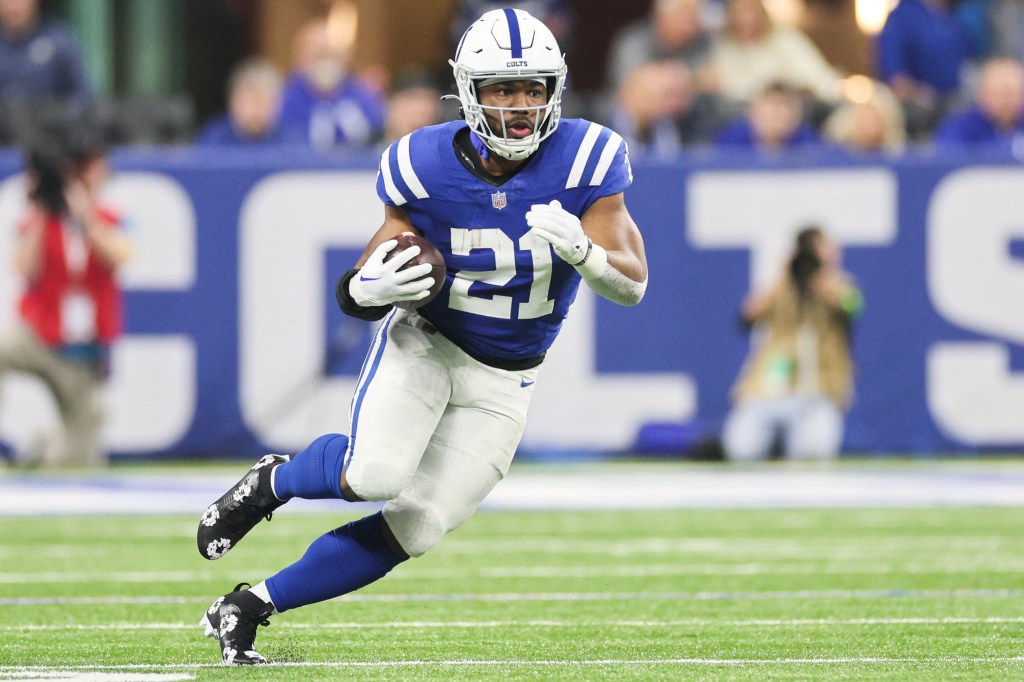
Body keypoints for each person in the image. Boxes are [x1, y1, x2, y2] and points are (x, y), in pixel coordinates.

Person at [196, 8, 648, 666]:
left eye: (532, 89)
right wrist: (362, 291)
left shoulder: (590, 156)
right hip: (428, 343)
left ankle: (249, 604)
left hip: (508, 375)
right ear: (469, 91)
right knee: (376, 471)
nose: (519, 106)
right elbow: (366, 276)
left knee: (418, 526)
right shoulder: (424, 161)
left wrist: (586, 253)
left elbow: (633, 283)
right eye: (500, 88)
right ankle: (277, 481)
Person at [0, 123, 131, 468]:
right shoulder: (42, 219)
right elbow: (24, 268)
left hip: (81, 355)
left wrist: (85, 215)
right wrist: (44, 208)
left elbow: (121, 256)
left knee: (79, 462)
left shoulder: (106, 216)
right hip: (38, 335)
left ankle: (42, 449)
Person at [722, 226, 862, 462]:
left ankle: (783, 443)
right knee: (741, 450)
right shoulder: (780, 289)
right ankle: (775, 442)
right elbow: (746, 317)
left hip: (819, 394)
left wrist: (822, 281)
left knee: (811, 453)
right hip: (769, 392)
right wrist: (784, 275)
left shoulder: (842, 288)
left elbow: (854, 307)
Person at [277, 17, 387, 152]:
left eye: (331, 55)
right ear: (299, 57)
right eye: (318, 55)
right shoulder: (283, 100)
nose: (326, 63)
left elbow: (377, 132)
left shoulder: (364, 96)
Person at [708, 0, 841, 109]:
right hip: (741, 116)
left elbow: (820, 79)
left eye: (751, 12)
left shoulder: (787, 40)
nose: (746, 19)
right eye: (740, 14)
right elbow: (723, 86)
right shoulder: (722, 48)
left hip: (793, 110)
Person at [875, 0, 973, 138]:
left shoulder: (955, 16)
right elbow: (896, 77)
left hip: (953, 106)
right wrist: (919, 94)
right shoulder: (902, 17)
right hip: (917, 114)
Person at [195, 58, 305, 147]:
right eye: (253, 102)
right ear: (234, 102)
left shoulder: (291, 142)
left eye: (265, 102)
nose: (258, 110)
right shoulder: (214, 140)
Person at [0, 0, 90, 104]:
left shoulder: (60, 41)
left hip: (51, 119)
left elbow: (82, 96)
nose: (13, 7)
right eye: (7, 1)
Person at [932, 57, 1024, 147]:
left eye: (1014, 93)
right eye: (1001, 94)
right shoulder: (960, 127)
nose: (1008, 101)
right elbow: (947, 157)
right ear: (982, 94)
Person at [713, 81, 822, 151]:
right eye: (770, 102)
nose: (776, 110)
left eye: (784, 104)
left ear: (795, 117)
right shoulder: (732, 138)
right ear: (752, 112)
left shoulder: (807, 140)